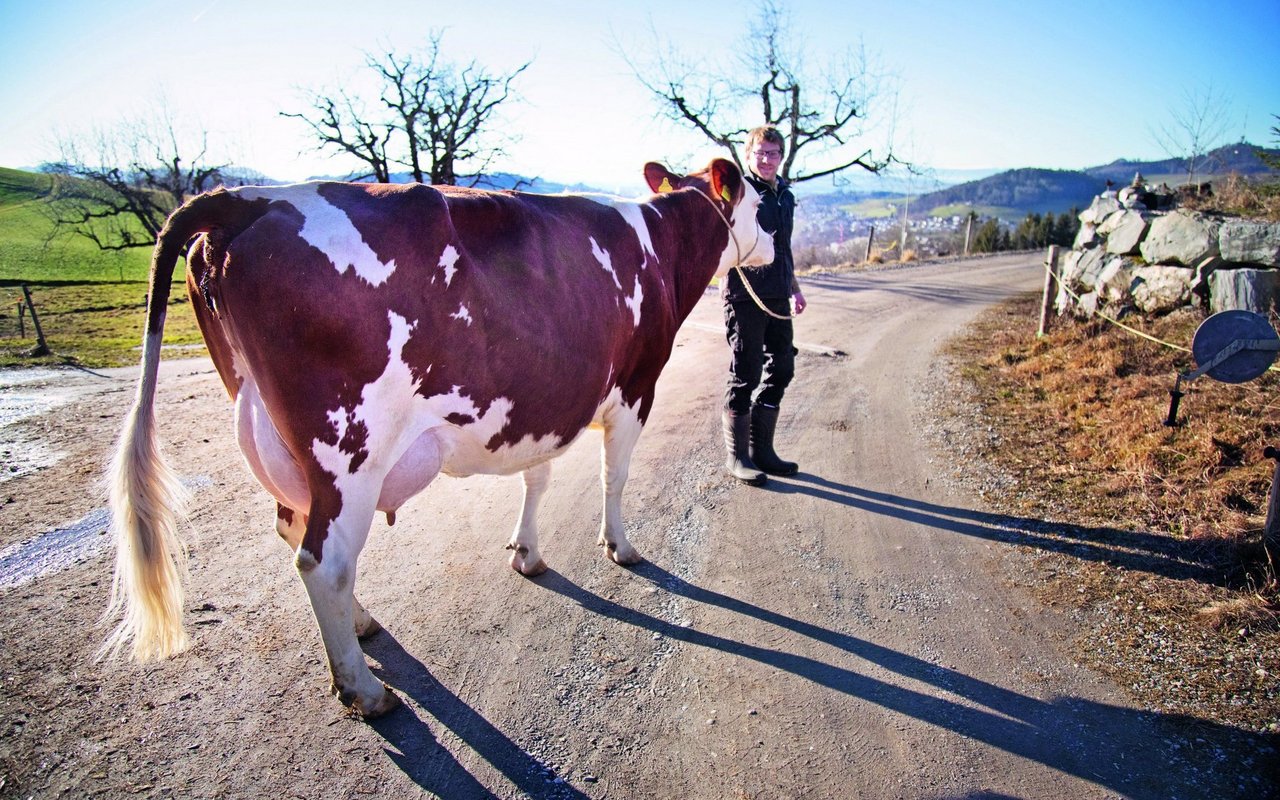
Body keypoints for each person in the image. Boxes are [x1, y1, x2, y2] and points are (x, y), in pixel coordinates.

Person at [721, 125, 806, 486]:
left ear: (780, 156)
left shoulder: (785, 194)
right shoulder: (740, 192)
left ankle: (762, 452)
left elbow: (783, 247)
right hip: (744, 296)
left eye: (773, 153)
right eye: (761, 153)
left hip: (778, 296)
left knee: (783, 367)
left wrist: (795, 287)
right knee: (746, 374)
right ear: (749, 155)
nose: (767, 159)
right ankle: (737, 456)